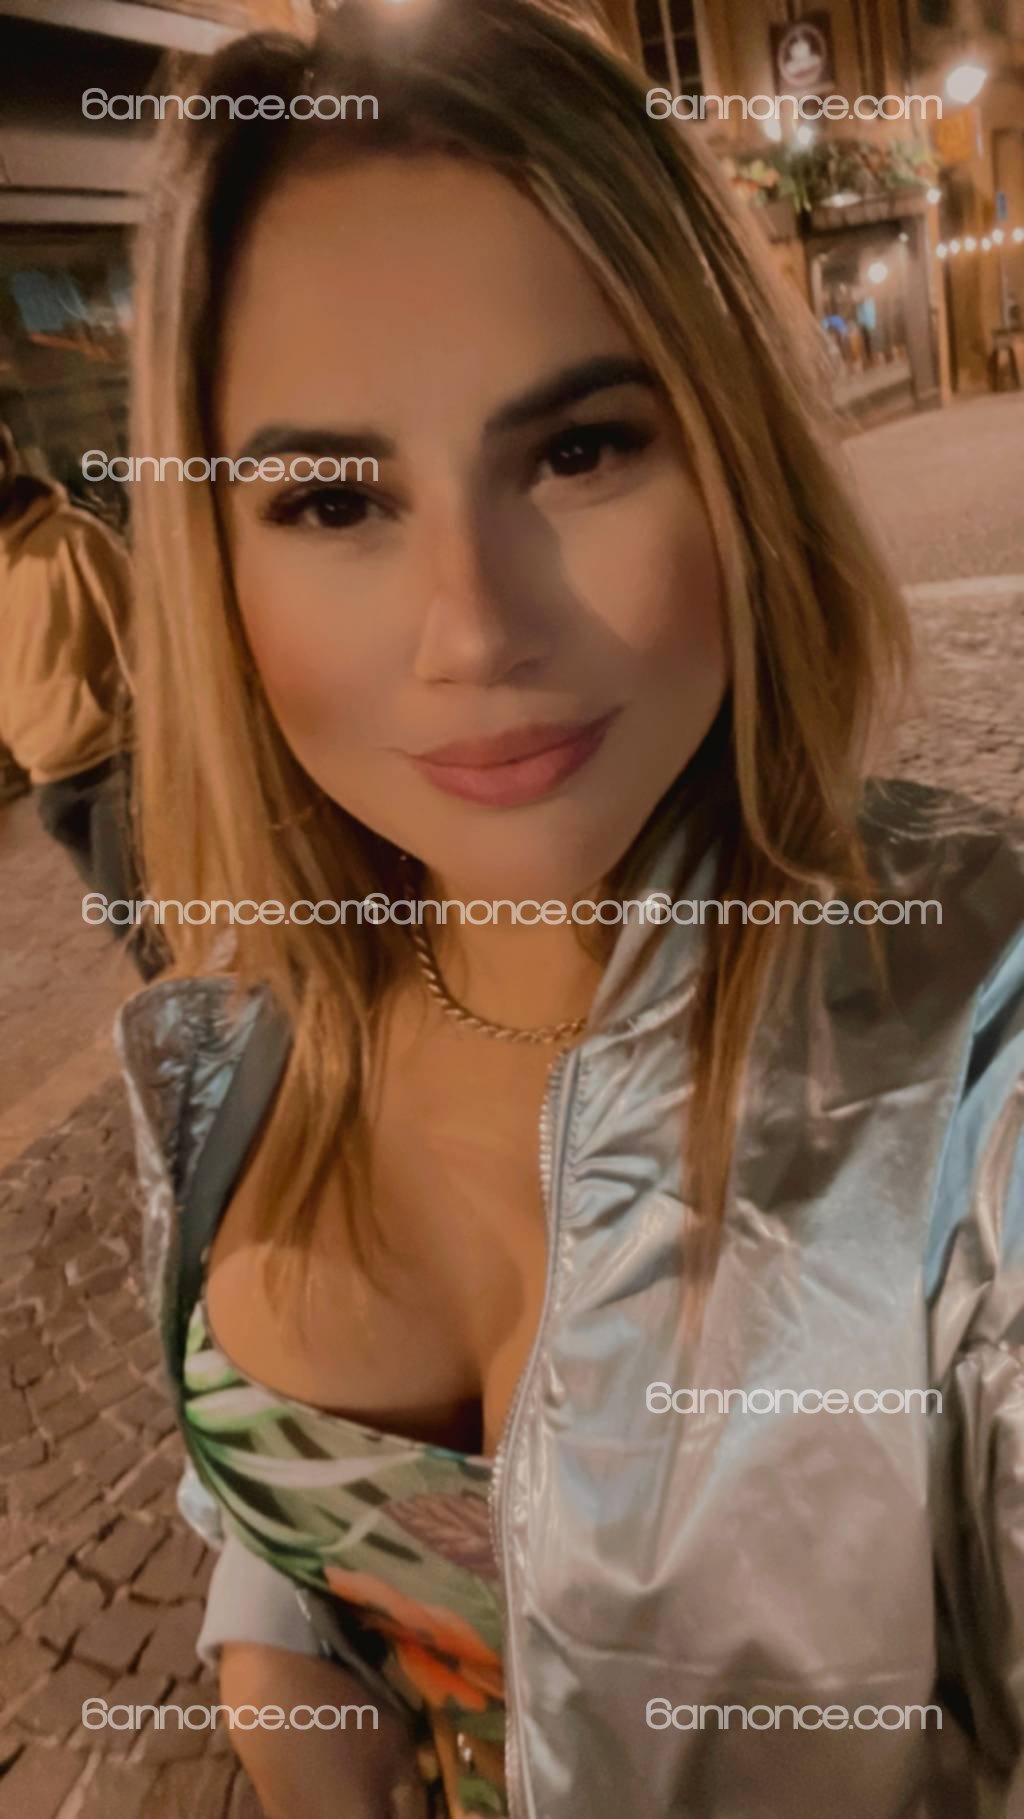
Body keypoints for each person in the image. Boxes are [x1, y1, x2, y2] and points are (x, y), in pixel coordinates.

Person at [114, 4, 1024, 1816]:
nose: (473, 630)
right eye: (331, 498)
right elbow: (281, 1524)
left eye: (578, 449)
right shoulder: (218, 1039)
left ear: (735, 457)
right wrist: (280, 1653)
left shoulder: (979, 1049)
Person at [0, 423, 158, 975]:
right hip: (47, 777)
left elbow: (141, 637)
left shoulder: (74, 539)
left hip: (112, 766)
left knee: (139, 927)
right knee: (131, 928)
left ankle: (195, 1021)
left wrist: (157, 736)